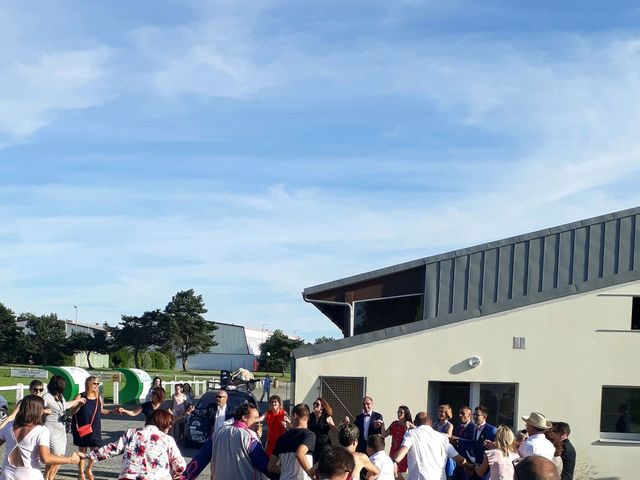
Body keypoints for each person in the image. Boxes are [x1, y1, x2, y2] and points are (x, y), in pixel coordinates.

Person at [0, 395, 84, 480]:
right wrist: (71, 460)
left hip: (7, 474)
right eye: (42, 408)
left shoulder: (9, 425)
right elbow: (46, 458)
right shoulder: (41, 431)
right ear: (38, 411)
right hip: (29, 475)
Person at [89, 408, 186, 479]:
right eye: (169, 425)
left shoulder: (131, 432)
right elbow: (180, 465)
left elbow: (113, 448)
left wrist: (88, 456)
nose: (170, 428)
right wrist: (177, 472)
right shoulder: (167, 439)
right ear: (164, 423)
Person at [391, 412, 468, 480]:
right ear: (431, 423)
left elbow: (404, 449)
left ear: (414, 423)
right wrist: (469, 466)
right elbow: (459, 459)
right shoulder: (442, 438)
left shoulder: (411, 434)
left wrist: (395, 462)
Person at [71, 375, 118, 480]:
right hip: (83, 426)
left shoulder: (98, 398)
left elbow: (101, 410)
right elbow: (71, 412)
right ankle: (80, 472)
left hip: (95, 427)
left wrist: (112, 411)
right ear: (88, 384)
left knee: (95, 450)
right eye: (94, 383)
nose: (96, 386)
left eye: (98, 384)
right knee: (82, 450)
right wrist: (79, 405)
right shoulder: (80, 396)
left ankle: (89, 468)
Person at [210, 402, 272, 479]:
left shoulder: (218, 432)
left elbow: (206, 458)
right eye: (255, 418)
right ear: (244, 418)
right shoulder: (249, 436)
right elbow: (265, 466)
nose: (258, 422)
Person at [42, 375, 87, 480]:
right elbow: (59, 407)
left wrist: (77, 402)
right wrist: (76, 401)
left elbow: (65, 406)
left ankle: (50, 477)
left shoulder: (60, 396)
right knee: (56, 455)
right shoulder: (46, 397)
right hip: (50, 428)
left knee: (60, 456)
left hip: (61, 429)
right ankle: (46, 476)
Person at [268, 403, 316, 479]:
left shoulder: (282, 438)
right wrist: (312, 476)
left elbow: (271, 466)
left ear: (295, 416)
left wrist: (285, 471)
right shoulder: (309, 435)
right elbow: (300, 454)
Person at [462, 406, 497, 480]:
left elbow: (497, 447)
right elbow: (474, 444)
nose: (474, 417)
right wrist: (458, 440)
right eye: (474, 414)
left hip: (486, 471)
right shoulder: (475, 428)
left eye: (477, 415)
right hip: (475, 468)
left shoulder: (492, 430)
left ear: (484, 416)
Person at [383, 405, 413, 478]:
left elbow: (417, 432)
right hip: (393, 451)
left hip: (403, 452)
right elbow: (384, 434)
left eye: (401, 412)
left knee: (399, 473)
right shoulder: (394, 424)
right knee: (393, 472)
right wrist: (382, 425)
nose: (399, 414)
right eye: (398, 412)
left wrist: (411, 426)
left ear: (406, 413)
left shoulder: (409, 425)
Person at [309, 397, 337, 463]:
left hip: (324, 444)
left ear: (322, 407)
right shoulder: (311, 416)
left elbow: (334, 430)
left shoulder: (327, 417)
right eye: (314, 404)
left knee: (323, 463)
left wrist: (330, 424)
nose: (315, 405)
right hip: (313, 444)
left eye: (317, 404)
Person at [451, 406, 475, 480]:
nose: (460, 415)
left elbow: (472, 443)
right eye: (459, 413)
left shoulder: (472, 427)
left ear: (469, 415)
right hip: (459, 459)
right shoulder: (460, 427)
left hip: (467, 460)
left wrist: (458, 439)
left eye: (463, 413)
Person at [433, 404, 455, 479]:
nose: (441, 414)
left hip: (445, 451)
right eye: (439, 411)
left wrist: (436, 434)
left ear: (447, 414)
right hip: (435, 451)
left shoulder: (449, 425)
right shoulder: (435, 424)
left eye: (443, 412)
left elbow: (449, 435)